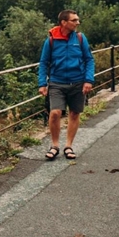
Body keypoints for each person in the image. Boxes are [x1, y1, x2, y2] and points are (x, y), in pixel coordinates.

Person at [37, 9, 95, 161]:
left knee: (74, 113)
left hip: (78, 82)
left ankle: (68, 146)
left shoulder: (80, 38)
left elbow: (89, 59)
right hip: (57, 82)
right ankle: (54, 145)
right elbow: (44, 62)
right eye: (74, 20)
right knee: (55, 112)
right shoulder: (50, 41)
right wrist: (42, 83)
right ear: (64, 22)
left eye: (77, 20)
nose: (78, 23)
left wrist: (88, 80)